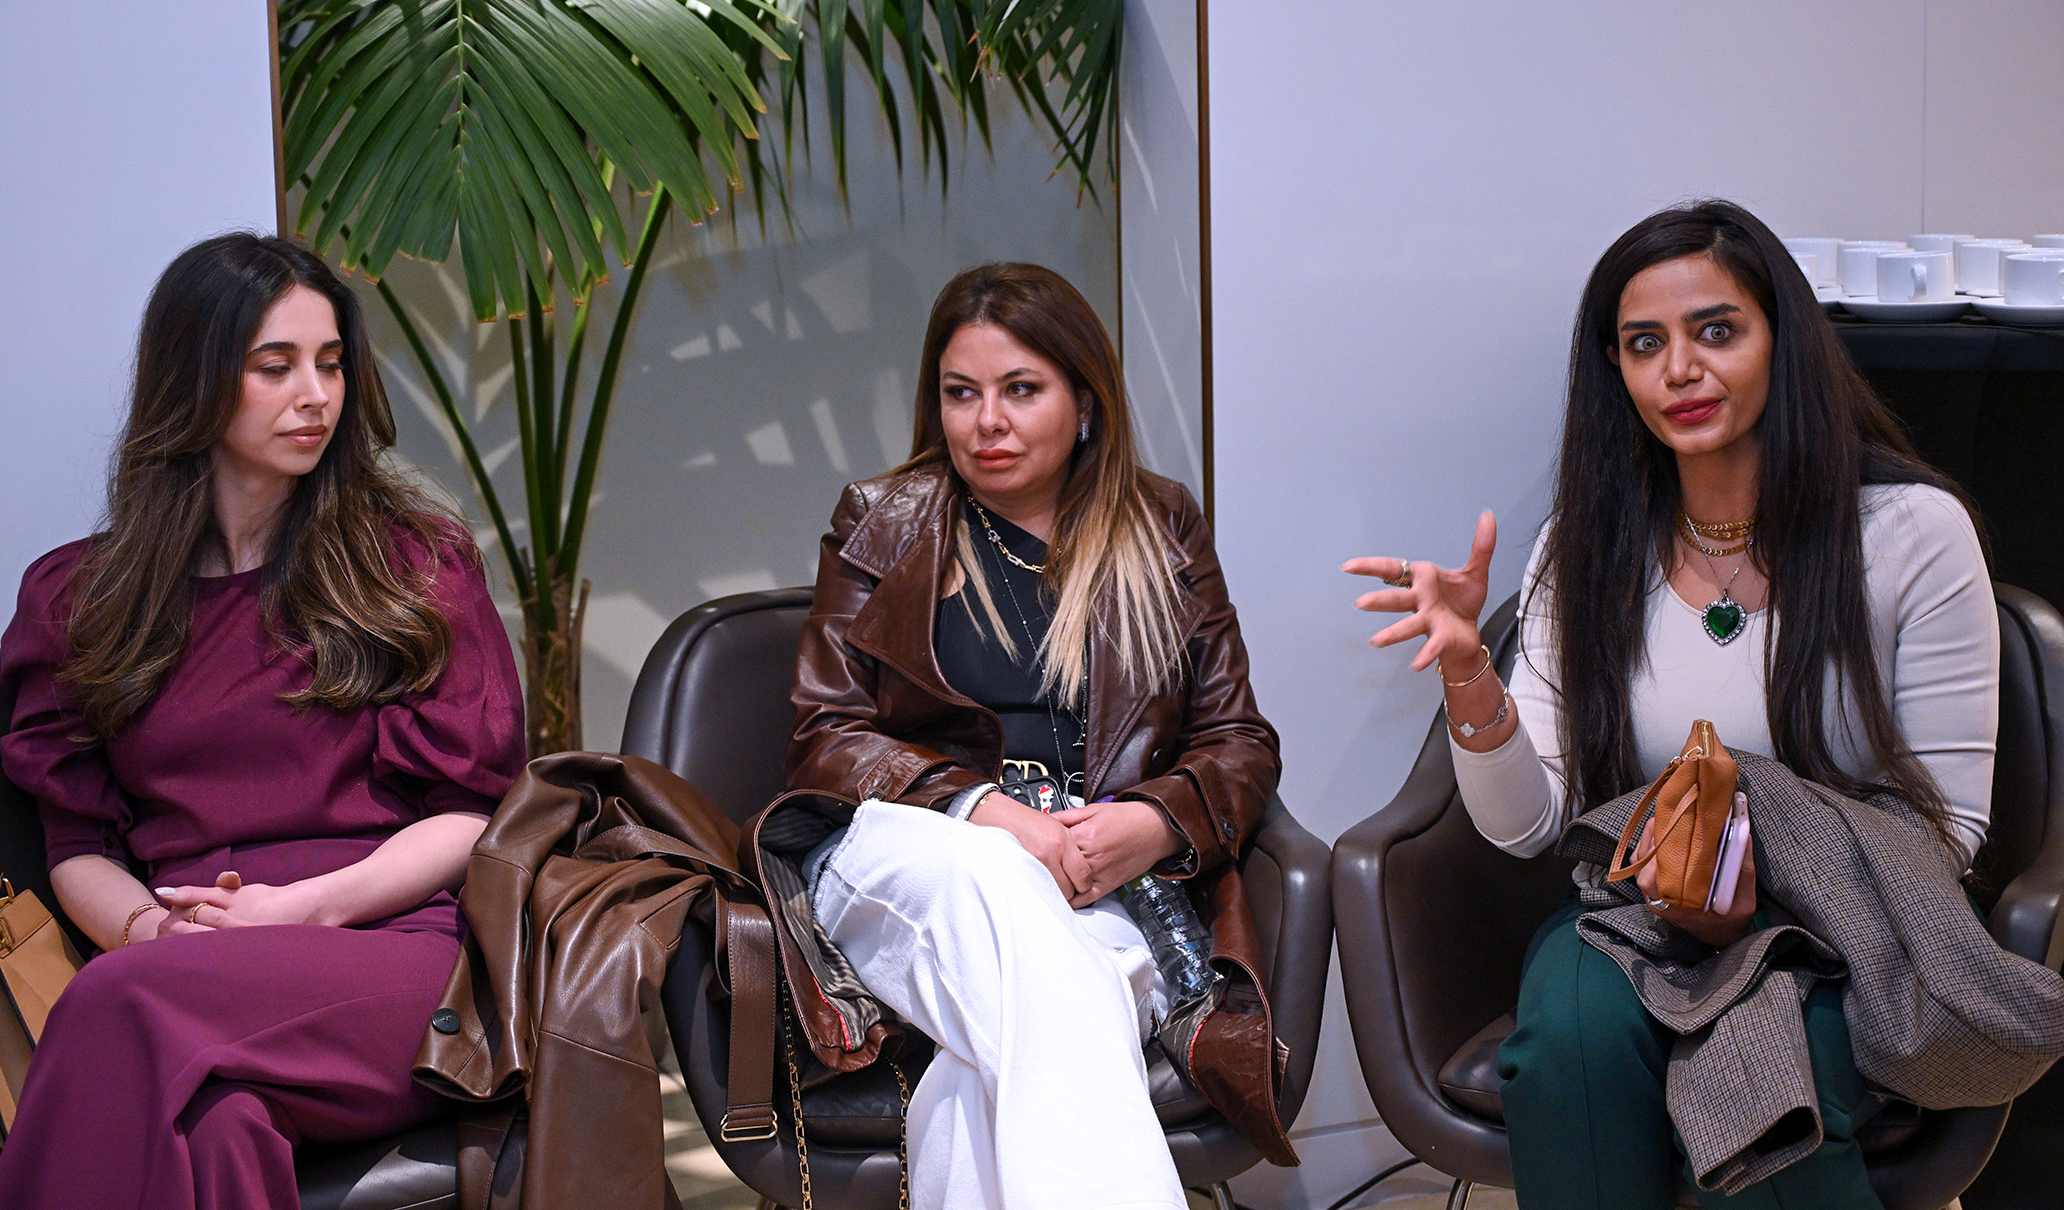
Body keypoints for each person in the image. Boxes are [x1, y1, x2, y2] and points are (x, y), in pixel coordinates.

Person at [1346, 200, 1997, 1209]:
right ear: (1616, 369)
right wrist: (1470, 669)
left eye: (1716, 331)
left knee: (1760, 1092)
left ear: (1783, 340)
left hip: (1849, 934)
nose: (1680, 370)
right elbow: (1528, 825)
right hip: (1636, 916)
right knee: (1565, 1049)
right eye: (1645, 343)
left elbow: (1950, 824)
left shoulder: (1913, 532)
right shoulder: (1584, 545)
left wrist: (1759, 871)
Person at [0, 234, 525, 1210]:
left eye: (330, 363)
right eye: (275, 366)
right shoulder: (81, 597)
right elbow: (75, 844)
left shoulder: (410, 567)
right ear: (194, 380)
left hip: (392, 954)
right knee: (216, 1128)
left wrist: (305, 907)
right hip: (180, 967)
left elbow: (469, 814)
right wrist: (152, 930)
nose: (316, 395)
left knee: (110, 1000)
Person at [787, 263, 1288, 1210]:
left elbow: (1238, 739)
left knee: (984, 1078)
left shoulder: (1161, 526)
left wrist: (1153, 822)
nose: (987, 423)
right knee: (996, 885)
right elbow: (825, 734)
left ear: (1085, 402)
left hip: (1102, 884)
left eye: (1021, 389)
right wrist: (983, 810)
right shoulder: (883, 521)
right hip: (912, 859)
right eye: (961, 393)